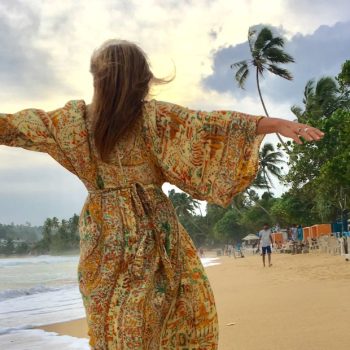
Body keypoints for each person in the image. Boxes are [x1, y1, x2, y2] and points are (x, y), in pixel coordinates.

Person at [0, 39, 325, 349]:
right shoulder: (152, 120)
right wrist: (274, 123)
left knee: (115, 328)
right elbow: (206, 126)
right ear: (141, 80)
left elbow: (17, 126)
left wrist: (272, 123)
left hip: (101, 241)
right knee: (166, 320)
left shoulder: (71, 124)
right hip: (153, 236)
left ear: (98, 80)